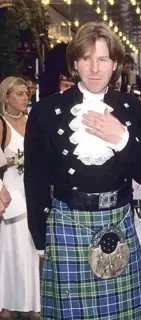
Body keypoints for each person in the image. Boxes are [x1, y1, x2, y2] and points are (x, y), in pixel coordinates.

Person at [24, 22, 141, 319]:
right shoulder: (46, 111)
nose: (94, 68)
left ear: (116, 64)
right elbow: (36, 178)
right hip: (66, 223)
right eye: (86, 58)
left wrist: (121, 139)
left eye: (103, 59)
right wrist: (39, 235)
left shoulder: (134, 110)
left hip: (118, 221)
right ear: (75, 64)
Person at [0, 76, 40, 320]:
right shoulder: (2, 124)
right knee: (11, 249)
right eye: (20, 94)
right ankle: (8, 303)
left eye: (27, 93)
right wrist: (18, 160)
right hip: (11, 194)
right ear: (6, 97)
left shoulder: (32, 120)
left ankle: (32, 303)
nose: (26, 98)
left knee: (32, 247)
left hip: (33, 191)